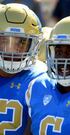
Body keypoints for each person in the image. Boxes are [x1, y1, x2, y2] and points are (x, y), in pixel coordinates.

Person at [0, 3, 46, 134]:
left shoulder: (42, 78)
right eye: (5, 41)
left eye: (22, 42)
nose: (13, 50)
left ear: (35, 44)